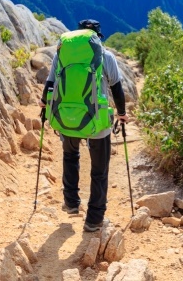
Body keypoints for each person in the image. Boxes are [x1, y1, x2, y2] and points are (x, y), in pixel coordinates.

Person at [39, 19, 129, 232]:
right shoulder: (105, 56)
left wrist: (44, 105)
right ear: (98, 37)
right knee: (99, 170)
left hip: (67, 117)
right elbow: (116, 88)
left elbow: (50, 83)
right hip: (97, 120)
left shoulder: (62, 54)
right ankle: (94, 220)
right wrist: (122, 114)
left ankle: (71, 203)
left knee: (70, 156)